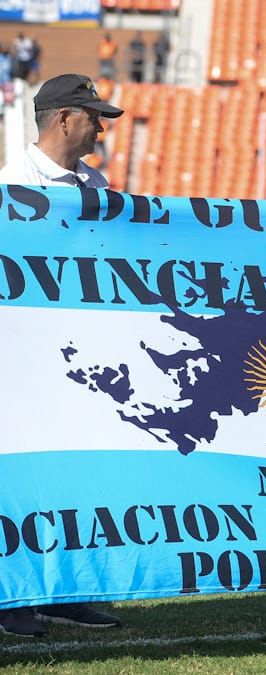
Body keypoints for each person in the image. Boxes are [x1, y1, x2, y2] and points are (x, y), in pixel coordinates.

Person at [0, 74, 127, 637]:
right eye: (93, 116)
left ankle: (67, 592)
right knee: (22, 483)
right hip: (25, 360)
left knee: (76, 477)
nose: (100, 126)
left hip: (80, 358)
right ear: (63, 119)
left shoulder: (94, 182)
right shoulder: (14, 185)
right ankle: (12, 599)